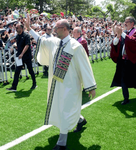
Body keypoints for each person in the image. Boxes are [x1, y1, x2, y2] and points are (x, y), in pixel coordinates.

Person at [26, 14, 96, 149]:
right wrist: (29, 29)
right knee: (61, 108)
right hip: (56, 85)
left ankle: (62, 142)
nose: (54, 30)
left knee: (65, 109)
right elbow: (41, 40)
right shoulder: (54, 42)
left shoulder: (76, 46)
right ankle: (80, 120)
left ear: (64, 29)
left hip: (71, 86)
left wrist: (90, 86)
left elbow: (85, 66)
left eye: (56, 28)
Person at [110, 16, 136, 105]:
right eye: (125, 22)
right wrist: (118, 35)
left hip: (133, 60)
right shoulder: (124, 33)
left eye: (127, 22)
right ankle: (126, 98)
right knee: (123, 79)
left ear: (132, 23)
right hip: (123, 60)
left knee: (135, 77)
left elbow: (132, 41)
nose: (125, 23)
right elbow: (115, 43)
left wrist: (121, 33)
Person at [6, 24, 36, 91]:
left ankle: (34, 84)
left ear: (21, 28)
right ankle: (14, 87)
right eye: (16, 28)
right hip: (19, 56)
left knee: (30, 70)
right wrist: (15, 46)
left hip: (27, 56)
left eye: (17, 28)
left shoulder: (26, 35)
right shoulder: (17, 36)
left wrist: (22, 53)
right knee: (17, 71)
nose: (16, 29)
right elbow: (18, 44)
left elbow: (27, 45)